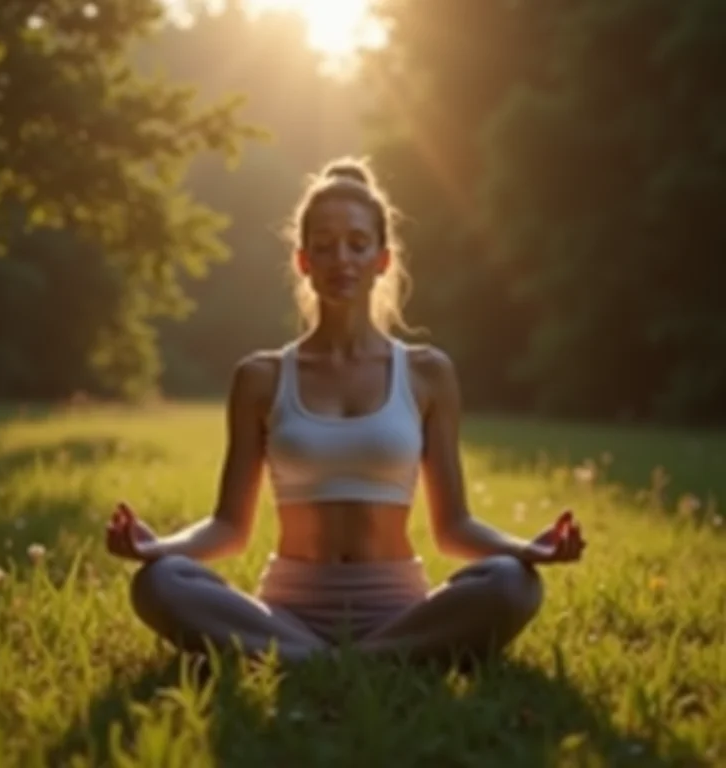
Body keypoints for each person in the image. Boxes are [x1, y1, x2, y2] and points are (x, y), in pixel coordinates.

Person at [105, 157, 586, 667]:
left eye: (358, 244)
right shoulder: (260, 377)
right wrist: (158, 548)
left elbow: (454, 527)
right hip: (288, 610)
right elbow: (229, 528)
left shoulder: (427, 373)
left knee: (513, 584)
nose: (342, 259)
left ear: (382, 259)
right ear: (303, 261)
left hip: (398, 609)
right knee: (159, 583)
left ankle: (312, 660)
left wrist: (527, 550)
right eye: (324, 246)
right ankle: (363, 660)